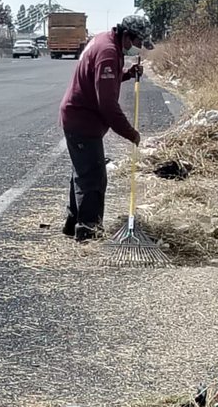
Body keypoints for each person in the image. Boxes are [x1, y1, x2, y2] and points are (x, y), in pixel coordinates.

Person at [58, 15, 154, 241]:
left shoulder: (106, 41)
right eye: (138, 42)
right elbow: (108, 105)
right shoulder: (109, 52)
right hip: (82, 120)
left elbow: (102, 81)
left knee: (82, 173)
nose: (138, 47)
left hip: (78, 117)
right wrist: (131, 133)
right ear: (127, 35)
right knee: (93, 178)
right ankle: (88, 232)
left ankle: (72, 224)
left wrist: (128, 75)